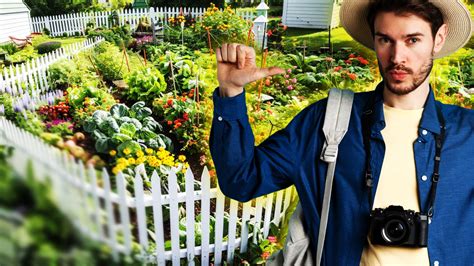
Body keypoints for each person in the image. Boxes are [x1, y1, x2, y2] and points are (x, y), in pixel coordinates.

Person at [210, 0, 473, 264]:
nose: (397, 58)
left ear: (438, 39)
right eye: (385, 40)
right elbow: (241, 180)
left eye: (412, 40)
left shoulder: (468, 135)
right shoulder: (327, 122)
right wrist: (230, 93)